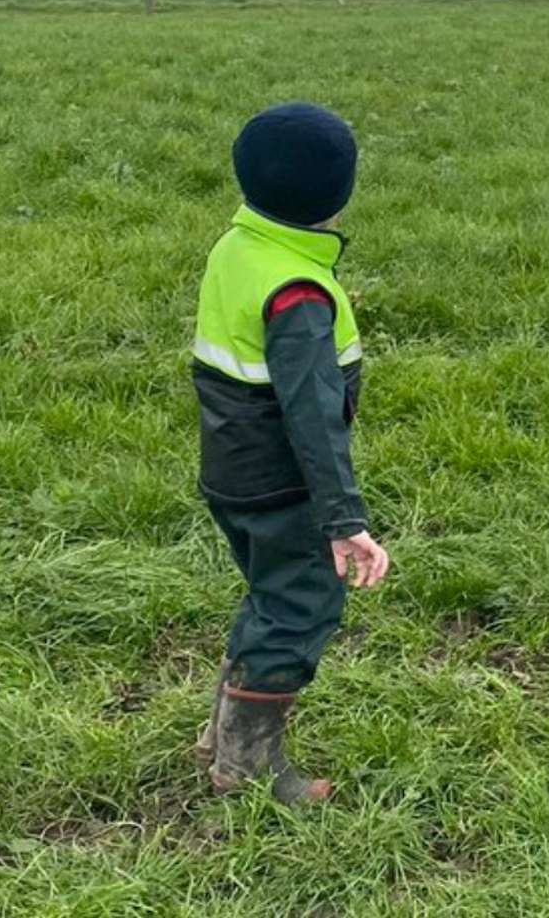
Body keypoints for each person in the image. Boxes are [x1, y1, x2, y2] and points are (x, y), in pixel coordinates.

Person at [190, 102, 390, 804]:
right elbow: (313, 419)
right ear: (338, 193)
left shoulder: (239, 247)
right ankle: (246, 765)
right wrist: (343, 519)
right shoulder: (297, 292)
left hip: (232, 468)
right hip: (281, 482)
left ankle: (221, 737)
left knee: (270, 593)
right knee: (299, 606)